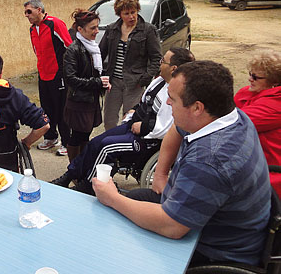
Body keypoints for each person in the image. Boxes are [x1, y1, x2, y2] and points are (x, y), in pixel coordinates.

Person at [93, 60, 271, 266]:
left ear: (197, 108)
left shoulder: (210, 160)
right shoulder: (229, 116)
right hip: (219, 222)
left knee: (117, 242)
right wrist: (160, 174)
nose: (167, 104)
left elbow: (172, 227)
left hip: (214, 253)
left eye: (172, 99)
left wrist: (112, 197)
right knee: (135, 198)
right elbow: (177, 128)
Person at [52, 47, 194, 191]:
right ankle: (70, 175)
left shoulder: (176, 94)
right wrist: (134, 110)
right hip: (134, 125)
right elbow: (145, 103)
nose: (160, 63)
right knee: (95, 143)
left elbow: (165, 127)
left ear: (173, 68)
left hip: (147, 139)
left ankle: (89, 185)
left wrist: (143, 127)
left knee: (107, 147)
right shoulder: (160, 82)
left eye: (163, 61)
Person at [99, 0, 162, 130]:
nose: (131, 17)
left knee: (129, 120)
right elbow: (100, 53)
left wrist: (146, 78)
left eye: (133, 12)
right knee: (109, 120)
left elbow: (156, 57)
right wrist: (100, 75)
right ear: (119, 14)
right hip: (113, 82)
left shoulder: (148, 30)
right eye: (126, 13)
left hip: (135, 83)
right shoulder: (112, 29)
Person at [24, 0, 72, 156]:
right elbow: (37, 52)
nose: (26, 15)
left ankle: (67, 142)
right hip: (43, 75)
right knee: (47, 108)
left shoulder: (55, 23)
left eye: (29, 11)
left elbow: (69, 46)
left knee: (62, 109)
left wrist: (68, 71)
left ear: (39, 10)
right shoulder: (32, 30)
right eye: (25, 12)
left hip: (58, 74)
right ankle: (51, 137)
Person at [62, 9, 109, 162]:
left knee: (85, 134)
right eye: (92, 28)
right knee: (78, 136)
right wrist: (97, 82)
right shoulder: (73, 50)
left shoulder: (92, 47)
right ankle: (74, 168)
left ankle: (81, 166)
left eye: (97, 27)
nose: (96, 31)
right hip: (78, 102)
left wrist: (103, 84)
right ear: (80, 29)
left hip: (90, 100)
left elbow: (94, 73)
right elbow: (71, 79)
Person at [234, 50, 281, 196]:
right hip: (252, 165)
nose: (250, 79)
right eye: (250, 74)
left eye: (256, 77)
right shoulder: (248, 92)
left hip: (270, 174)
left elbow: (232, 123)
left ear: (274, 82)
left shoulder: (274, 105)